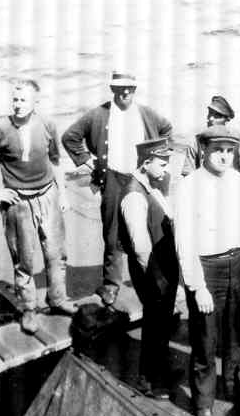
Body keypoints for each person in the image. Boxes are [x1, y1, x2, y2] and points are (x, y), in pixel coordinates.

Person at [174, 125, 240, 416]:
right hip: (207, 269)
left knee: (238, 334)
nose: (225, 156)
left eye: (230, 151)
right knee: (205, 340)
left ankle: (233, 389)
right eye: (218, 150)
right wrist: (197, 286)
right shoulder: (188, 187)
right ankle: (204, 405)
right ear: (204, 150)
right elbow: (183, 241)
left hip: (238, 264)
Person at [0, 79, 78, 333]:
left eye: (23, 100)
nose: (18, 105)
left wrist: (63, 195)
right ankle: (29, 309)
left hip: (48, 196)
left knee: (56, 254)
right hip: (18, 203)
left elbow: (56, 161)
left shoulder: (48, 124)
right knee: (24, 261)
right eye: (15, 100)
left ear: (35, 102)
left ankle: (58, 299)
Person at [61, 72, 172, 307]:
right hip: (112, 178)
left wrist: (160, 158)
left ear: (135, 88)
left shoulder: (145, 113)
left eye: (130, 88)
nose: (125, 92)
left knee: (147, 229)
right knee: (112, 234)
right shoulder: (99, 114)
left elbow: (167, 129)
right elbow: (70, 136)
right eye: (120, 88)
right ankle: (111, 285)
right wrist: (86, 160)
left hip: (140, 179)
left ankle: (149, 277)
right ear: (112, 88)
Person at [118, 137, 180, 400]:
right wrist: (158, 280)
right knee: (155, 326)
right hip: (153, 271)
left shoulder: (149, 185)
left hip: (162, 268)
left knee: (161, 324)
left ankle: (159, 371)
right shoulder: (134, 194)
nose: (166, 168)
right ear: (146, 163)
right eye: (162, 163)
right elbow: (141, 247)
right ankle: (150, 381)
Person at [181, 95, 240, 176]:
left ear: (226, 120)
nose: (211, 118)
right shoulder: (197, 140)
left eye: (217, 116)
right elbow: (188, 174)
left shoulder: (238, 140)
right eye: (210, 113)